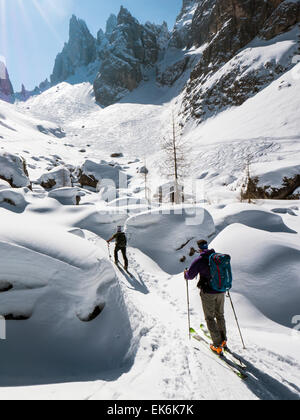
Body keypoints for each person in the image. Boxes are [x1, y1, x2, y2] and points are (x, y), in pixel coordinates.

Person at [184, 240, 227, 355]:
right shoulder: (217, 258)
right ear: (207, 247)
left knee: (209, 318)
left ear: (199, 249)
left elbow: (190, 275)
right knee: (220, 315)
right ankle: (223, 341)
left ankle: (217, 345)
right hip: (221, 290)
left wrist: (185, 273)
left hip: (208, 292)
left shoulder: (199, 260)